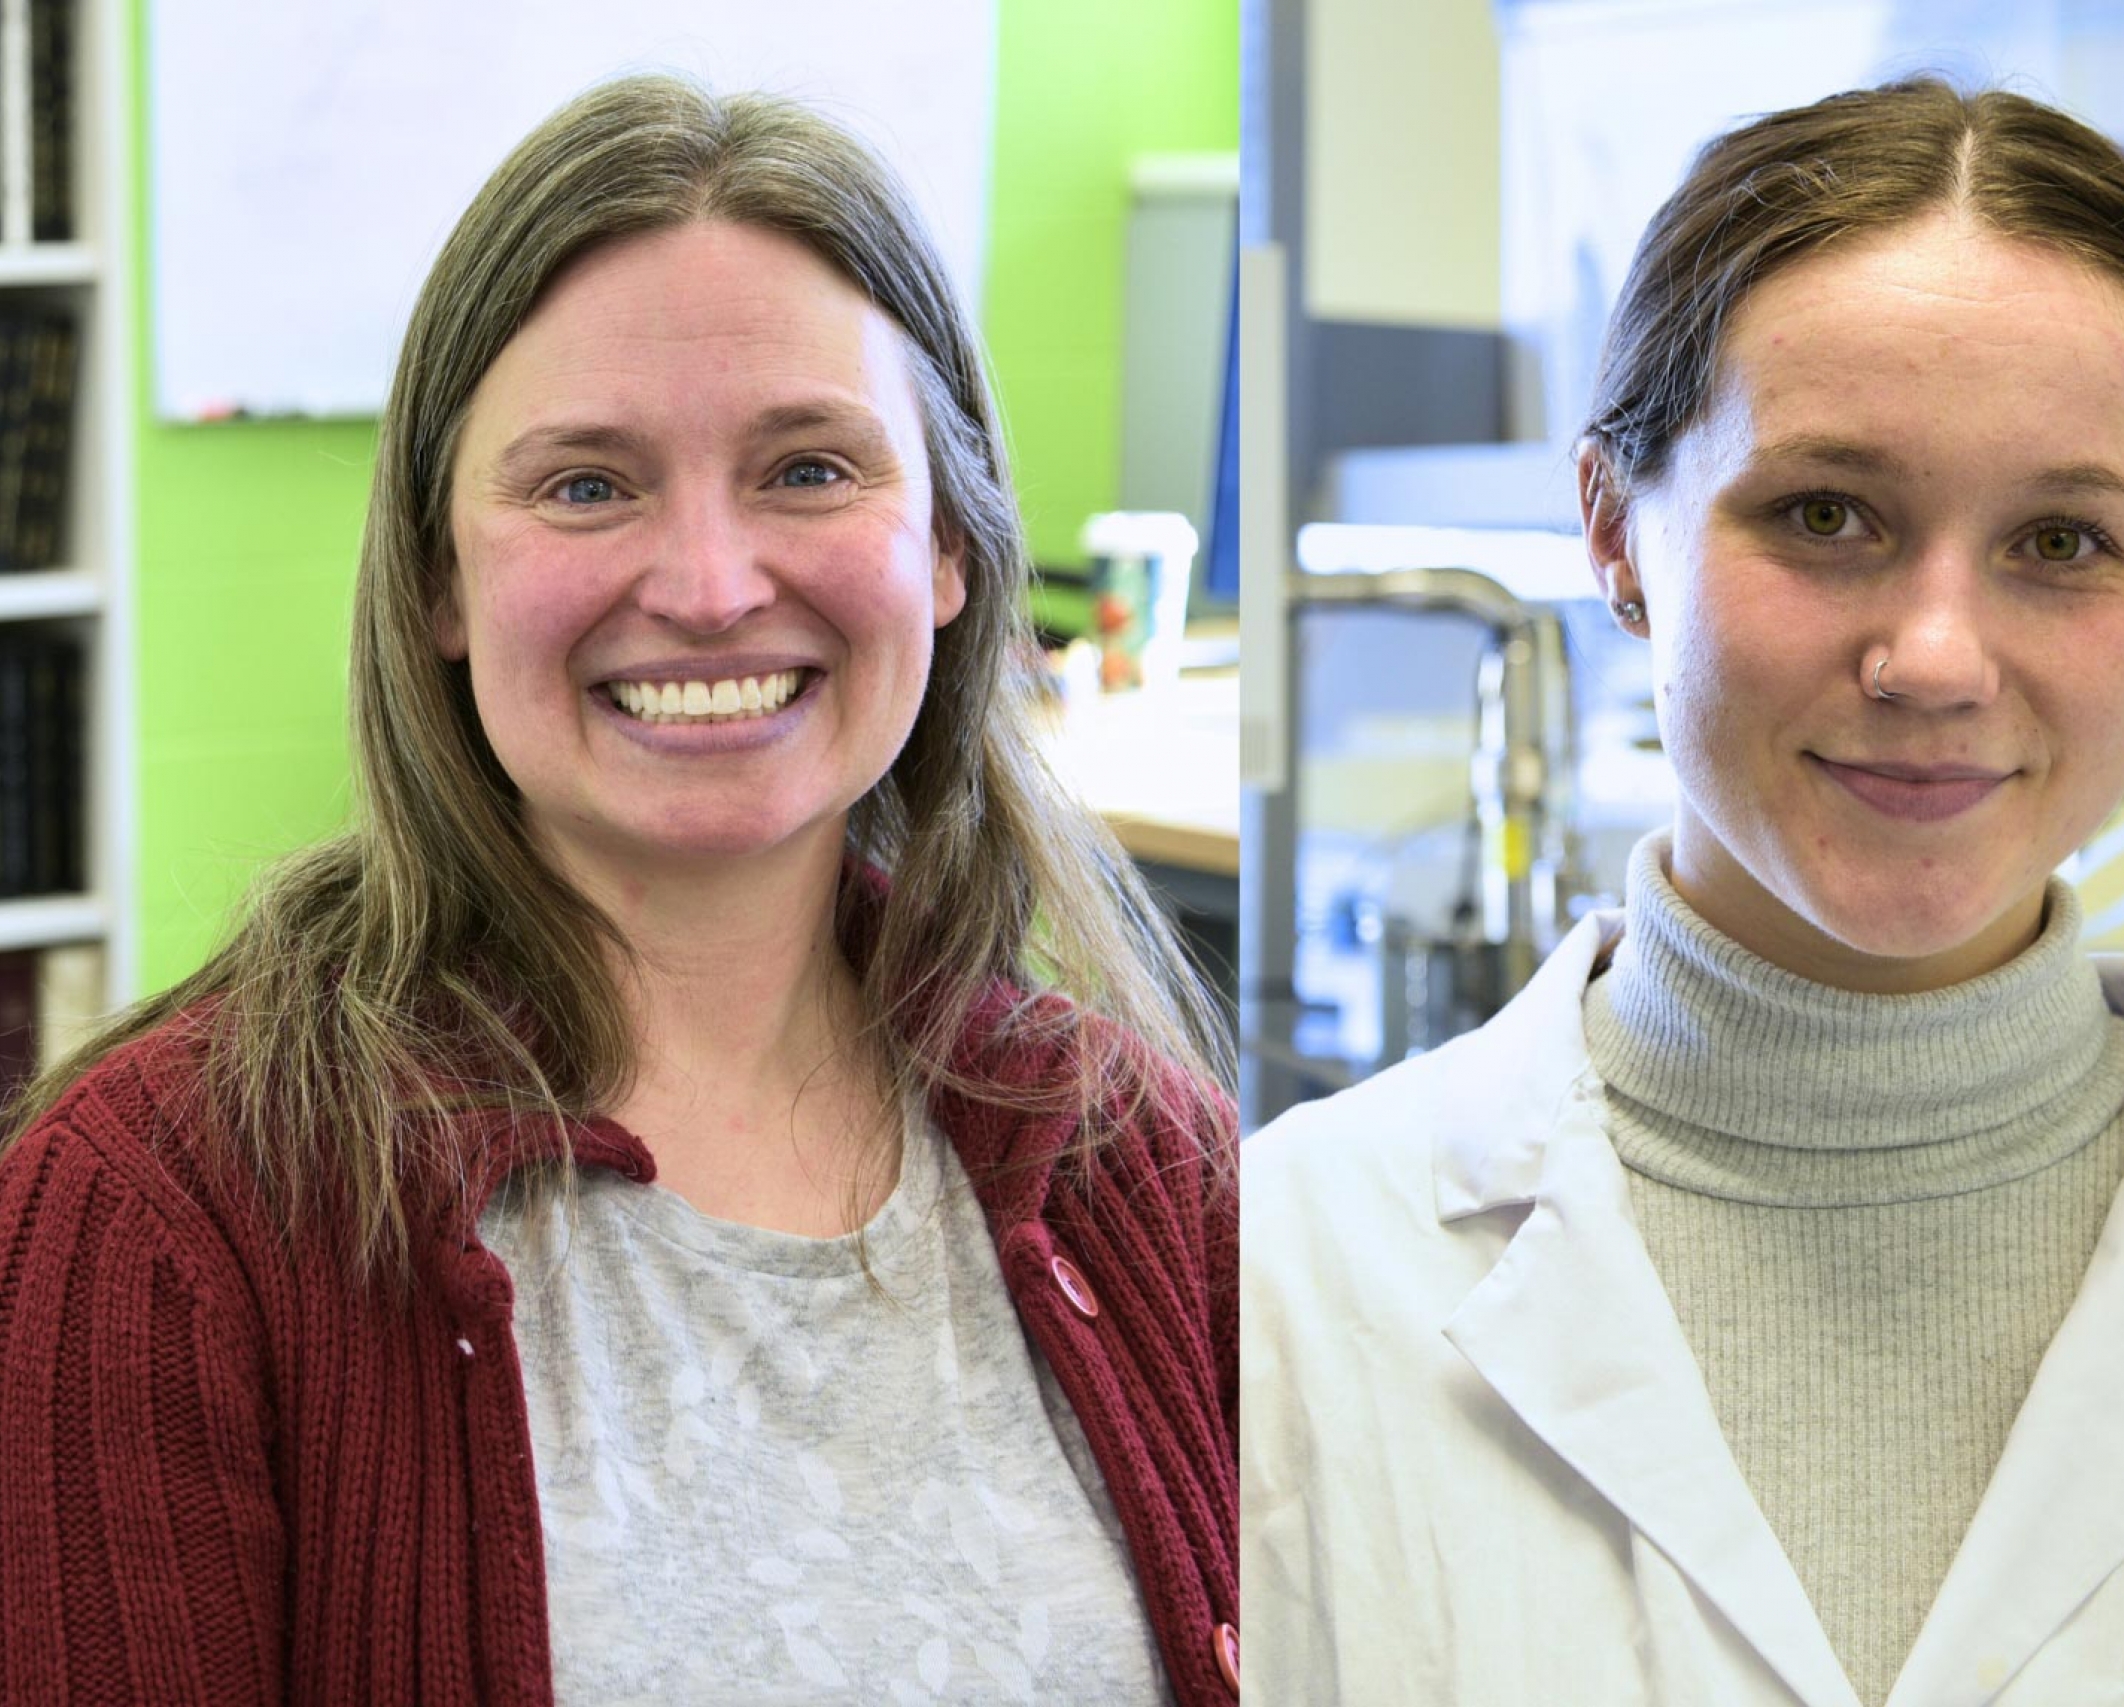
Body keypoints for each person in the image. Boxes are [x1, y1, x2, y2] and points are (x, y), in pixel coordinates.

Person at [1242, 78, 2124, 1706]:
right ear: (1614, 532)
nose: (1935, 659)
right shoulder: (1278, 1286)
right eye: (1825, 514)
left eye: (2063, 542)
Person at [0, 76, 1239, 1705]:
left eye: (809, 468)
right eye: (587, 484)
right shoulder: (159, 1218)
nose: (713, 589)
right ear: (440, 576)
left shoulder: (1142, 1164)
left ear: (949, 550)